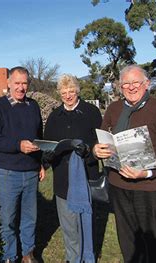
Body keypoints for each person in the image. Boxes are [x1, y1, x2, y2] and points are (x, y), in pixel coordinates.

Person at [93, 65, 156, 262]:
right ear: (120, 86)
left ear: (146, 84)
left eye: (136, 83)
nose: (131, 87)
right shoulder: (113, 108)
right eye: (126, 84)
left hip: (152, 189)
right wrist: (96, 150)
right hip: (119, 186)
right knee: (129, 243)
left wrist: (146, 173)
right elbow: (102, 139)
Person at [0, 66, 45, 263]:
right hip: (8, 173)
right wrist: (18, 145)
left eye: (24, 83)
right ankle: (10, 256)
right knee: (8, 220)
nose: (21, 87)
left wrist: (41, 163)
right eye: (17, 83)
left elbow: (40, 138)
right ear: (9, 83)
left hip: (30, 172)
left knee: (30, 218)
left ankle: (28, 253)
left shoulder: (33, 106)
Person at [43, 74, 103, 262]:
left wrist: (90, 149)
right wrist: (47, 158)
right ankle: (73, 257)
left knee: (86, 220)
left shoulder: (91, 112)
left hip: (86, 174)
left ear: (77, 91)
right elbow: (48, 146)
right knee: (68, 224)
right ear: (59, 93)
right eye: (64, 92)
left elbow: (100, 141)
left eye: (71, 91)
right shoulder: (54, 117)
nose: (68, 95)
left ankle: (88, 254)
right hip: (63, 178)